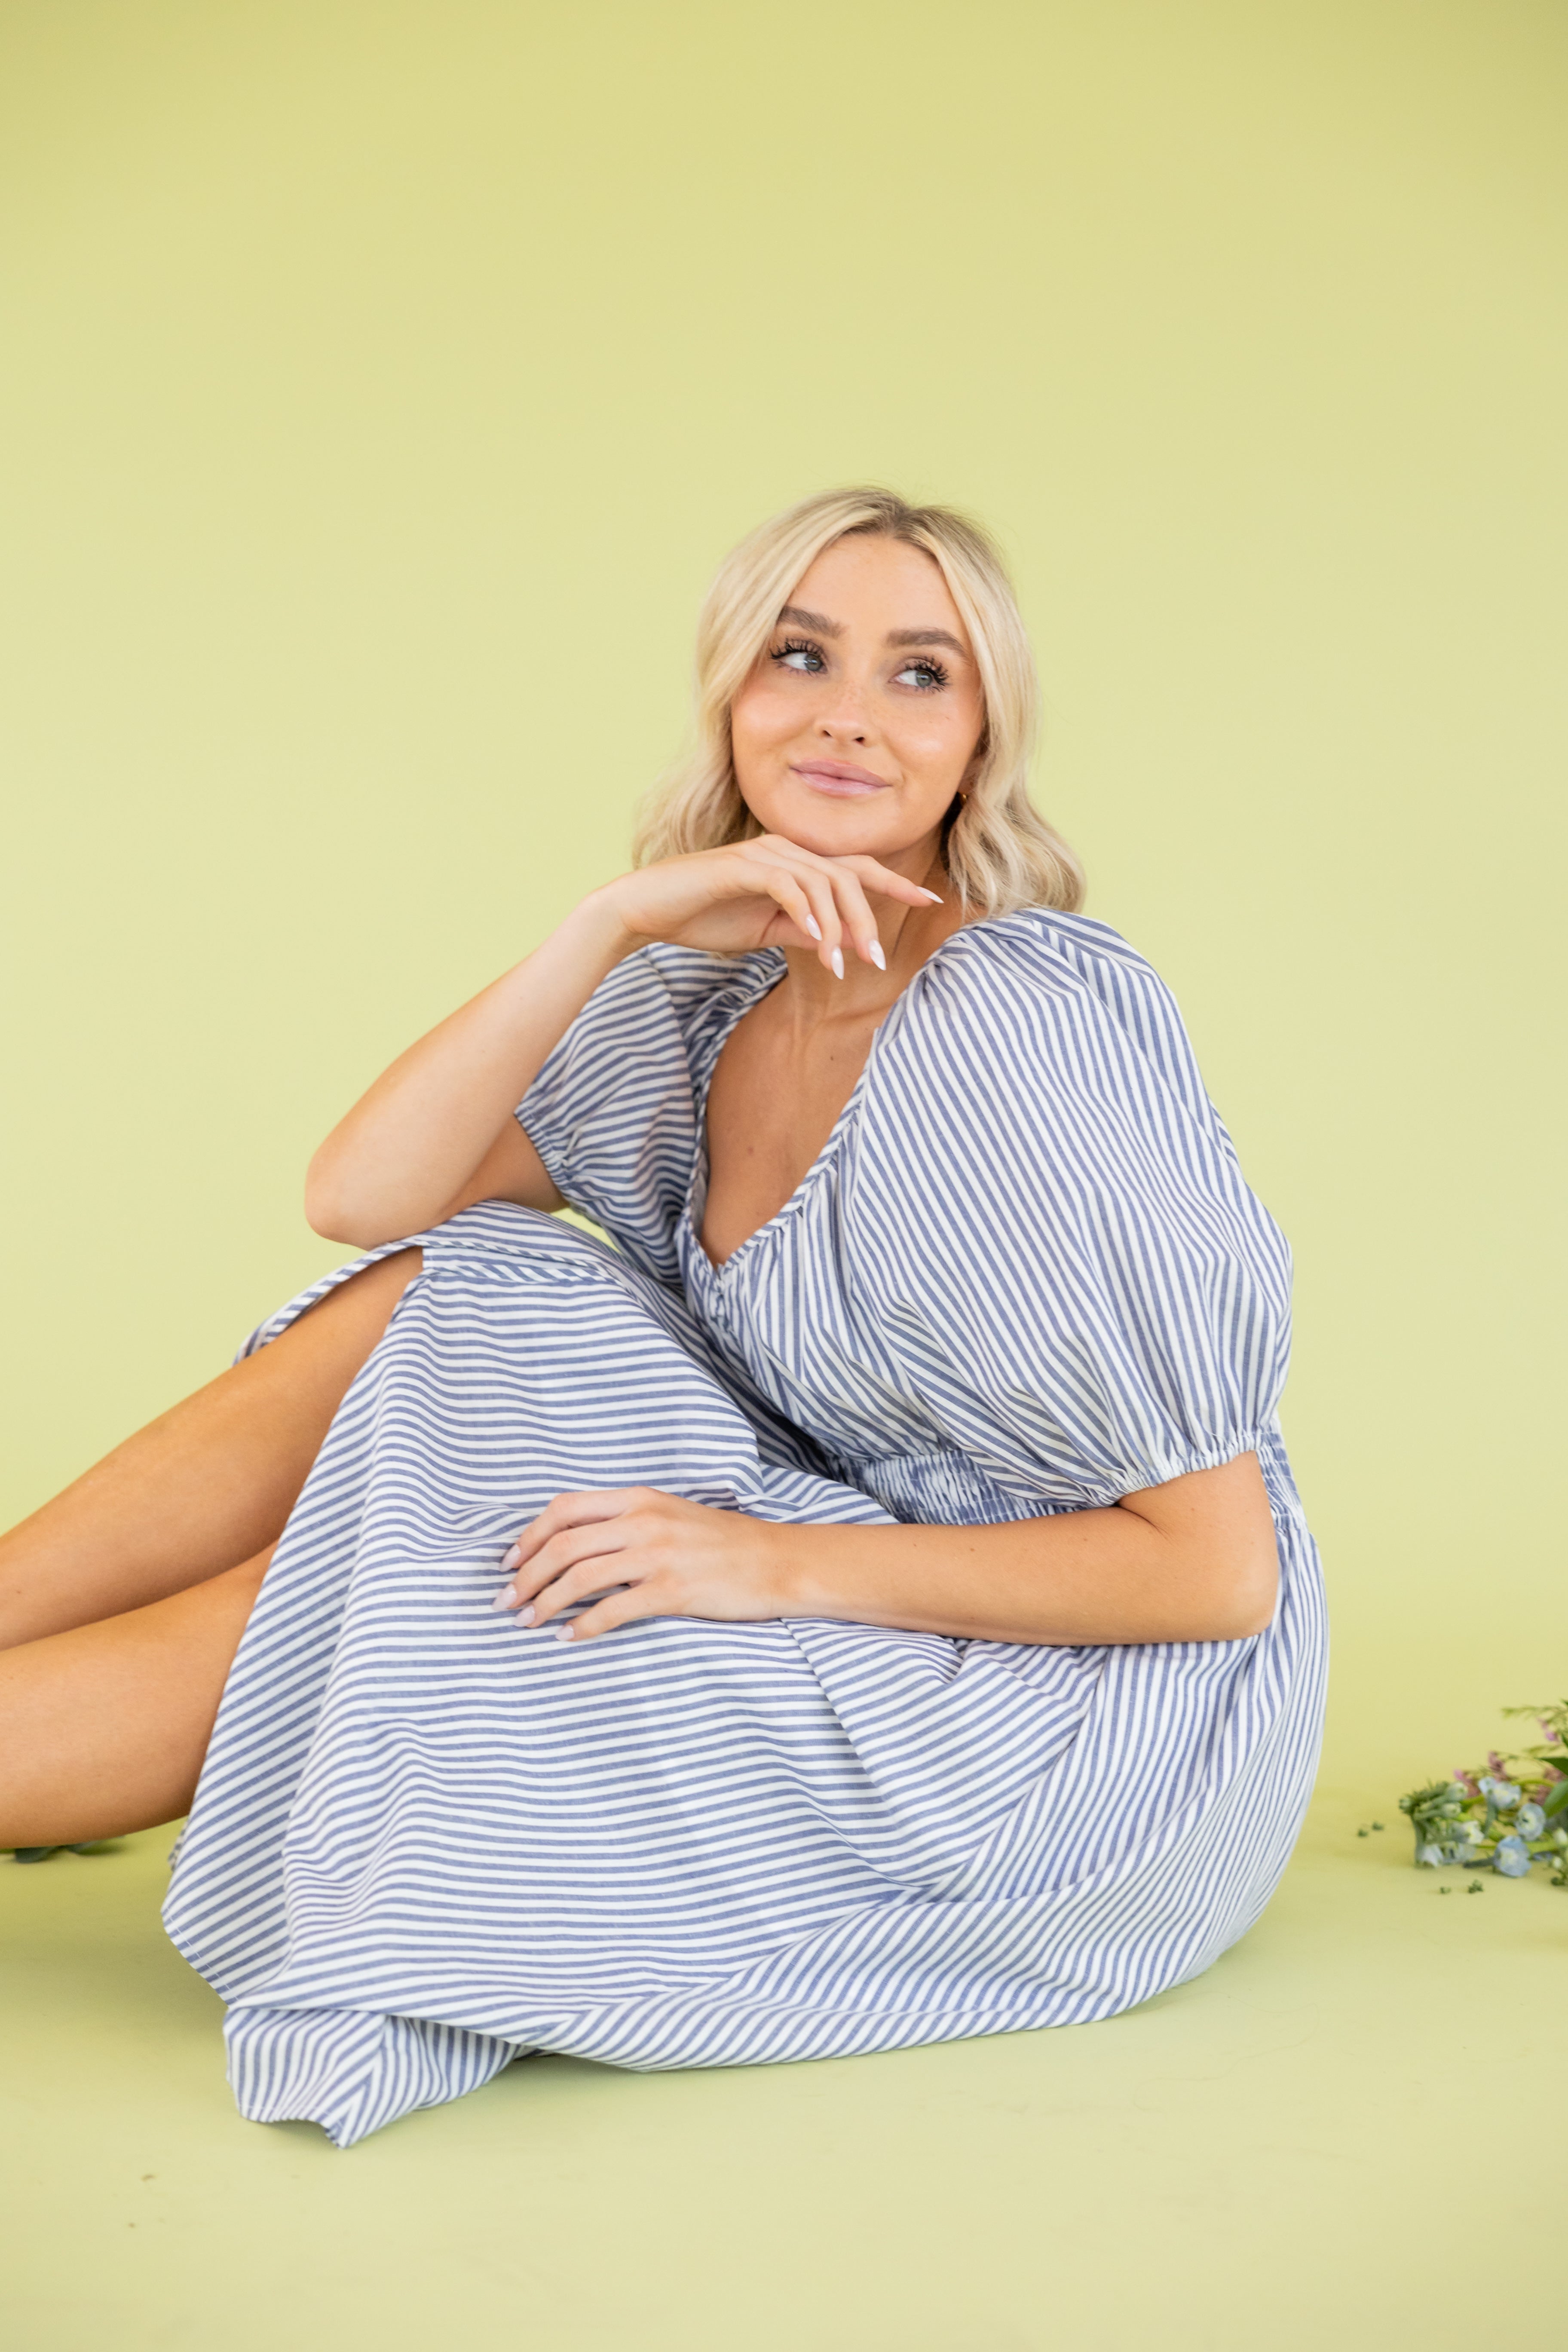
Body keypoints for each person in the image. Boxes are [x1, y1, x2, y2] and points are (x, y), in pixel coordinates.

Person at [0, 488, 1326, 2146]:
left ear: (983, 741)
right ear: (729, 693)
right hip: (865, 1558)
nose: (847, 711)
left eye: (921, 674)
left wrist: (769, 1566)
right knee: (470, 1280)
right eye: (800, 654)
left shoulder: (1019, 1030)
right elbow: (367, 1198)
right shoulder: (707, 992)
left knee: (433, 1583)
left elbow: (1211, 1573)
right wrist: (604, 924)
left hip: (1073, 1717)